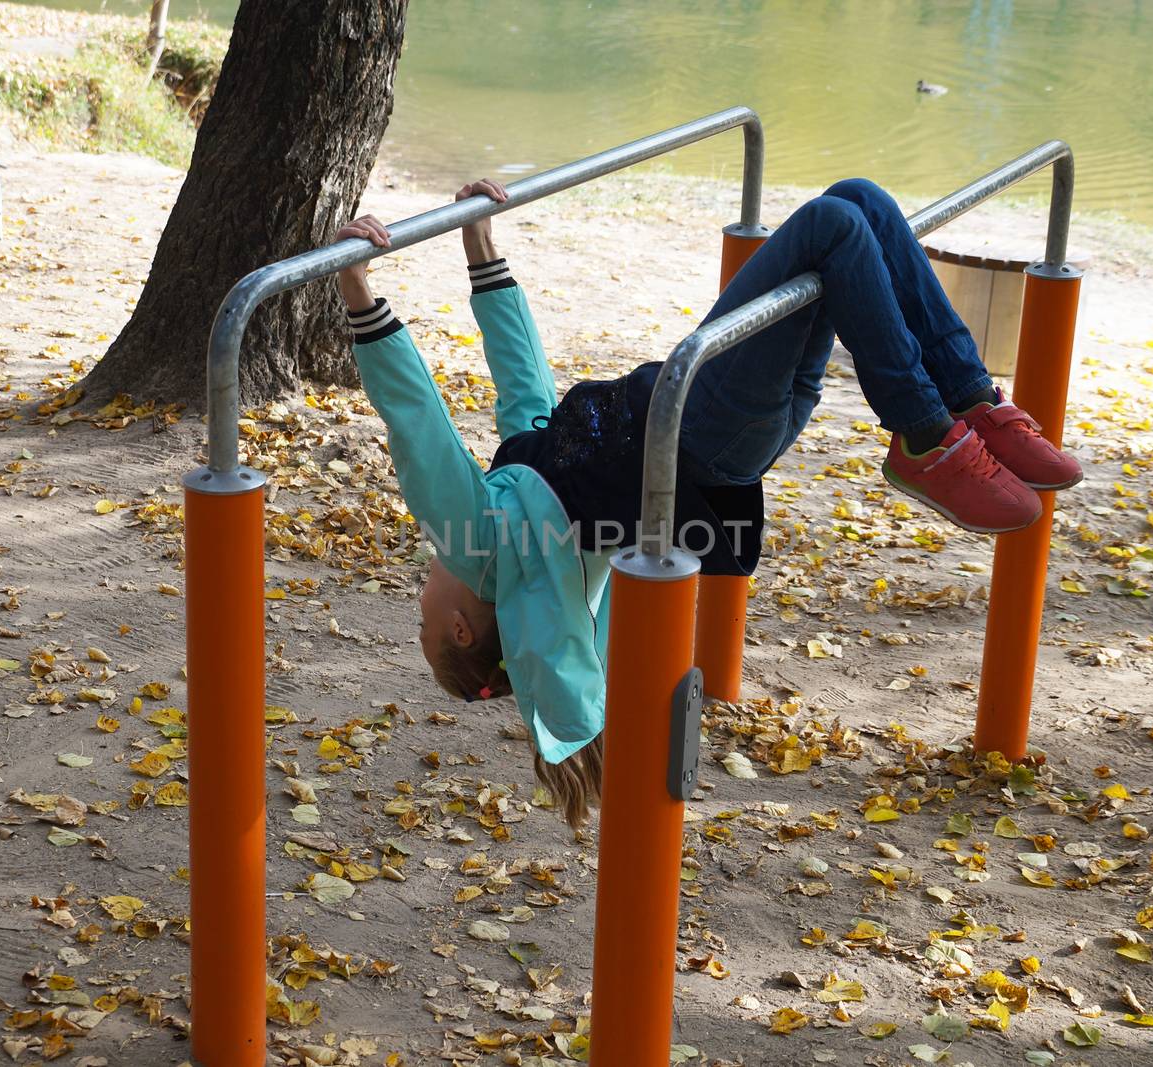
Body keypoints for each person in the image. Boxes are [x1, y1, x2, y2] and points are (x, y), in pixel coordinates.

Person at [334, 177, 1080, 828]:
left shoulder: (527, 511)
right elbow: (418, 426)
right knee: (833, 225)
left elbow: (523, 384)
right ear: (463, 628)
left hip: (738, 428)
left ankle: (973, 403)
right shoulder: (484, 543)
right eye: (423, 620)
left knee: (858, 203)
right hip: (706, 421)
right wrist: (357, 287)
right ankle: (923, 436)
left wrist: (479, 246)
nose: (421, 595)